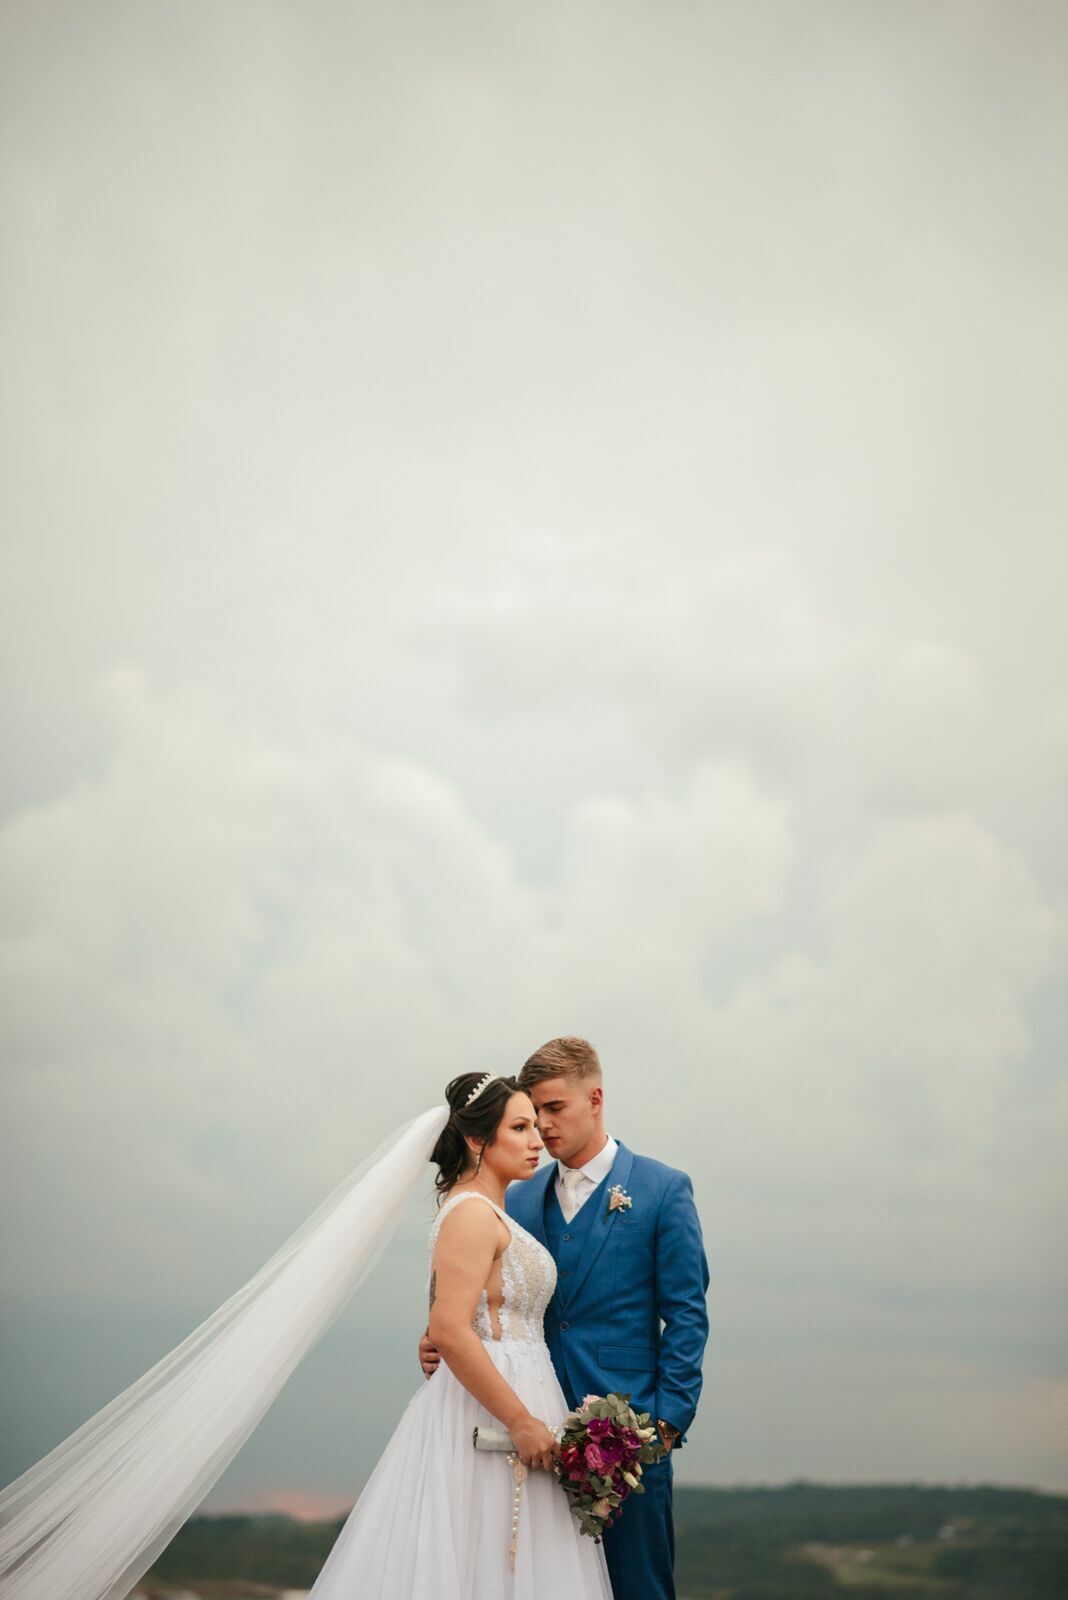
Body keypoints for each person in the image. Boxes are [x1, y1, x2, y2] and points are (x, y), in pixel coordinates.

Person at [0, 1077, 612, 1600]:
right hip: (498, 1415)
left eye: (537, 1126)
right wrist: (523, 1420)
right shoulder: (473, 1214)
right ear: (478, 1139)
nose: (537, 1141)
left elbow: (449, 1324)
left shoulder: (488, 1211)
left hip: (519, 1398)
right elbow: (451, 1330)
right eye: (521, 1128)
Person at [420, 1038, 710, 1600]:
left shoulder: (661, 1189)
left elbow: (687, 1315)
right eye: (533, 1114)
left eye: (554, 1109)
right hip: (526, 1432)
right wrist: (440, 1337)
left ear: (594, 1098)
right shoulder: (517, 1198)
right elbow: (481, 1294)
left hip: (626, 1438)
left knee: (637, 1588)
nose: (543, 1127)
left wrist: (665, 1424)